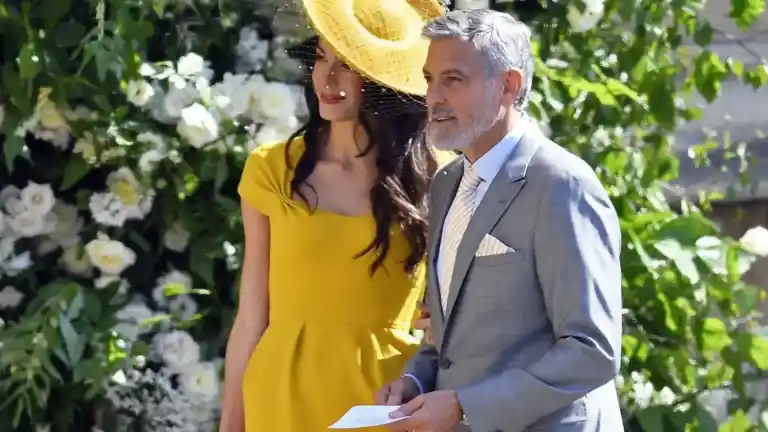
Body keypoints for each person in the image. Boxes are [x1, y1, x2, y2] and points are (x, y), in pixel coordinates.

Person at [375, 9, 624, 432]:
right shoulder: (446, 183)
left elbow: (592, 350)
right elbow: (452, 336)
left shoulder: (561, 185)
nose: (434, 97)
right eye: (430, 79)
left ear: (509, 84)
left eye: (453, 80)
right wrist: (415, 381)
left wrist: (464, 405)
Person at [217, 0, 451, 431]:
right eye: (322, 58)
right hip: (280, 396)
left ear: (381, 78)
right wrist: (231, 425)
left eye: (348, 65)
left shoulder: (440, 179)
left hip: (384, 401)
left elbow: (451, 319)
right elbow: (251, 315)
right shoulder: (273, 170)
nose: (327, 78)